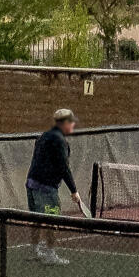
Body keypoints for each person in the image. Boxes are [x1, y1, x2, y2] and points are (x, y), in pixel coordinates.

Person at [23, 108, 82, 267]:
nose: (73, 125)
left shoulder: (44, 136)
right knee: (52, 220)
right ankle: (50, 254)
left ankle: (34, 251)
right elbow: (64, 167)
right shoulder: (59, 140)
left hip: (31, 185)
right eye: (71, 122)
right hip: (46, 189)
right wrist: (74, 190)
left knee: (36, 219)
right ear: (64, 123)